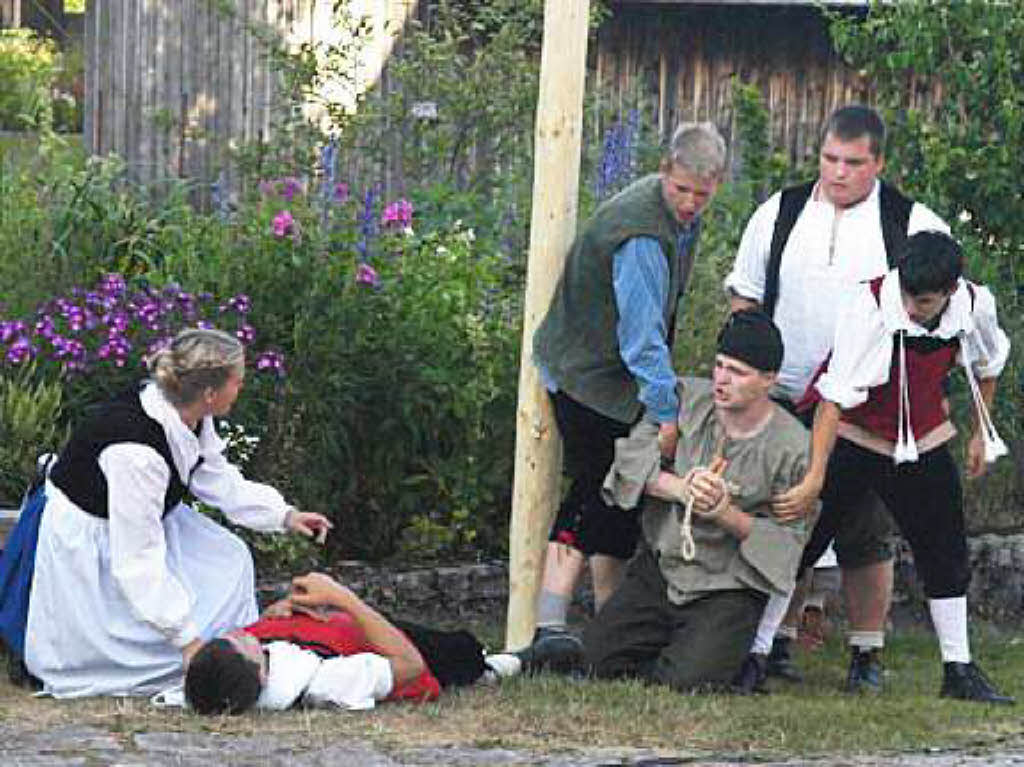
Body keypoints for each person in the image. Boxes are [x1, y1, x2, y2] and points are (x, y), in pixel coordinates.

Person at [724, 104, 950, 691]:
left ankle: (866, 654)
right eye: (829, 158)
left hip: (867, 407)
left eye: (853, 162)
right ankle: (773, 643)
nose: (838, 172)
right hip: (789, 396)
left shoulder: (909, 222)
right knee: (785, 518)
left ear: (878, 162)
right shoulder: (781, 211)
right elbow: (745, 301)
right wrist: (751, 384)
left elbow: (943, 313)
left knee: (863, 529)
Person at [0, 328, 333, 698]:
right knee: (144, 649)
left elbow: (212, 474)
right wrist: (188, 643)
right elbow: (136, 562)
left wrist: (285, 515)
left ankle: (235, 656)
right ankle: (206, 664)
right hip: (93, 538)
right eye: (238, 382)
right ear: (210, 393)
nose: (241, 388)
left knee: (230, 558)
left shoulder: (187, 410)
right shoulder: (136, 453)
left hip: (143, 517)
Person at [527, 122, 727, 662]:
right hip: (586, 374)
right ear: (665, 170)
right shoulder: (640, 233)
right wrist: (666, 413)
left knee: (622, 497)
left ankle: (611, 627)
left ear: (717, 186)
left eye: (701, 195)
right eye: (681, 189)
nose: (689, 203)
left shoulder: (675, 219)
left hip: (614, 378)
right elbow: (640, 338)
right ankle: (548, 629)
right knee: (596, 486)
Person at [793, 231, 1013, 703]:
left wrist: (980, 432)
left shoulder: (975, 305)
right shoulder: (867, 304)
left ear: (951, 291)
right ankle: (761, 650)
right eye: (908, 297)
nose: (912, 308)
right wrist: (815, 475)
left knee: (945, 548)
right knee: (802, 539)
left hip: (923, 439)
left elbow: (989, 365)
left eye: (926, 301)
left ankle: (958, 668)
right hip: (853, 431)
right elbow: (834, 398)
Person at [582, 311, 814, 692]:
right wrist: (679, 488)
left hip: (728, 585)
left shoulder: (792, 448)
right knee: (596, 660)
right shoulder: (685, 400)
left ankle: (715, 656)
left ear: (769, 380)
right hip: (665, 570)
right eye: (719, 366)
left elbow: (790, 542)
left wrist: (725, 514)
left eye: (738, 372)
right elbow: (629, 460)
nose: (722, 379)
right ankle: (686, 650)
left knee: (687, 685)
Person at [185, 572, 522, 714]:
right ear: (259, 674)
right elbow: (410, 665)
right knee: (463, 652)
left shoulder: (237, 662)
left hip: (336, 628)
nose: (242, 634)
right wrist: (343, 597)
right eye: (242, 644)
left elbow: (259, 636)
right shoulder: (325, 683)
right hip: (408, 646)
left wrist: (281, 612)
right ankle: (497, 665)